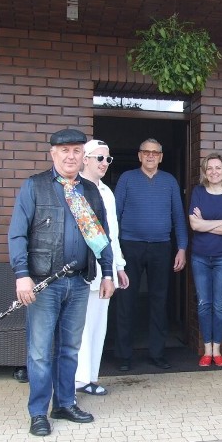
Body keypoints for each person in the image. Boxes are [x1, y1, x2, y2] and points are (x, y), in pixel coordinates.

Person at [8, 128, 115, 437]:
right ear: (53, 154)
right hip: (43, 283)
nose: (71, 156)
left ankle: (65, 403)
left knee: (69, 349)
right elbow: (17, 234)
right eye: (64, 150)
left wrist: (107, 272)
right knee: (40, 351)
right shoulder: (35, 187)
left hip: (79, 282)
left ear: (83, 156)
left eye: (76, 151)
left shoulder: (90, 191)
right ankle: (38, 412)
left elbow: (101, 237)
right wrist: (21, 275)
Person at [114, 138, 188, 371]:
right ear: (139, 155)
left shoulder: (169, 181)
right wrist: (114, 251)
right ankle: (123, 356)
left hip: (161, 246)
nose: (150, 156)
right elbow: (114, 215)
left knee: (159, 300)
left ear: (161, 157)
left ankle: (157, 353)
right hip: (129, 245)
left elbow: (178, 216)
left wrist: (182, 248)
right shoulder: (127, 179)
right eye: (146, 152)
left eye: (155, 153)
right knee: (126, 301)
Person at [75, 140, 129, 396]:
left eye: (108, 160)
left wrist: (119, 266)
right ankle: (76, 379)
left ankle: (90, 378)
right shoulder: (74, 189)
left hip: (105, 270)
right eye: (100, 158)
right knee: (80, 326)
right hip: (81, 270)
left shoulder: (107, 192)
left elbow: (113, 235)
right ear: (85, 159)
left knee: (98, 324)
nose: (105, 164)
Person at [189, 153, 222, 366]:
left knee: (219, 304)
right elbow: (194, 225)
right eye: (209, 168)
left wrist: (206, 222)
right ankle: (206, 349)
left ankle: (217, 351)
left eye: (217, 168)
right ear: (205, 172)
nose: (213, 172)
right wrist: (221, 223)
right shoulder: (198, 192)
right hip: (199, 256)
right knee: (203, 304)